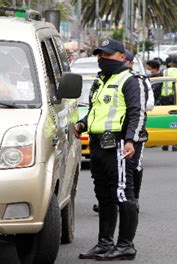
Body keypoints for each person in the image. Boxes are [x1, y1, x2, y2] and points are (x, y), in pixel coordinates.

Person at [76, 39, 148, 261]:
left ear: (120, 56)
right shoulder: (101, 81)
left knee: (123, 193)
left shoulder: (131, 80)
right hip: (98, 144)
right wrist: (82, 124)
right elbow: (97, 111)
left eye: (106, 55)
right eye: (99, 55)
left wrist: (131, 141)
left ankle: (126, 245)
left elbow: (138, 113)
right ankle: (104, 243)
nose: (102, 59)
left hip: (118, 144)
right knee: (104, 196)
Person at [93, 50, 154, 213]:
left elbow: (146, 107)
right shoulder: (102, 79)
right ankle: (113, 202)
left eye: (126, 61)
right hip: (106, 138)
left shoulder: (136, 80)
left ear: (129, 62)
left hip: (132, 134)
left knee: (133, 168)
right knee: (109, 181)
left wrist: (130, 138)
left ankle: (133, 199)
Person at [160, 56, 177, 152]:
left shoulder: (165, 71)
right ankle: (175, 145)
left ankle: (165, 143)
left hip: (164, 98)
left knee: (165, 120)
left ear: (171, 63)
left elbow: (159, 84)